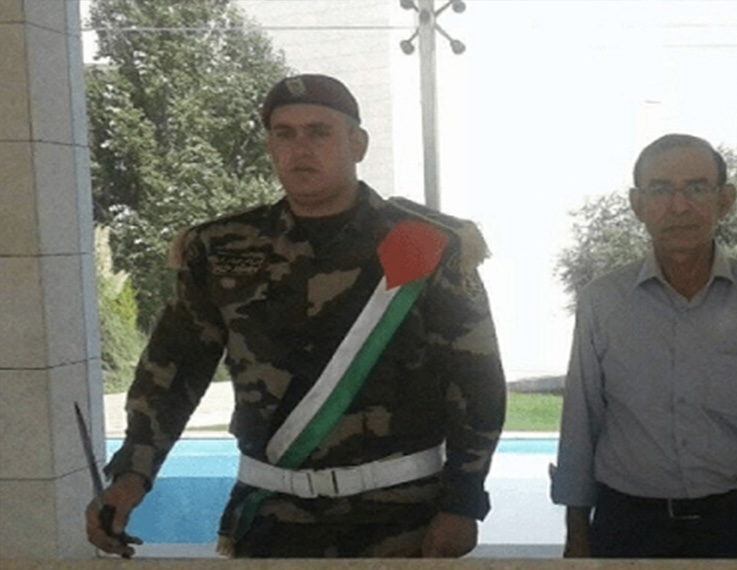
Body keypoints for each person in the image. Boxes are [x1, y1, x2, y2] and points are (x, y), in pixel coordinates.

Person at [85, 74, 507, 558]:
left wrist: (463, 502)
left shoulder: (425, 244)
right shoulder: (220, 248)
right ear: (269, 146)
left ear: (358, 144)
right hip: (270, 519)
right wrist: (132, 475)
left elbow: (475, 380)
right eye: (284, 134)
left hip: (401, 517)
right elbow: (174, 368)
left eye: (319, 132)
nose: (300, 148)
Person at [551, 133, 737, 559]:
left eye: (697, 188)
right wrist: (576, 534)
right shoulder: (603, 301)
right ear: (637, 205)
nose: (679, 206)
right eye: (660, 189)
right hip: (628, 527)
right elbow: (582, 420)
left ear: (725, 201)